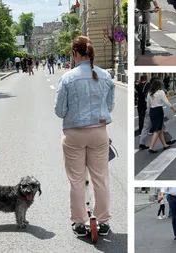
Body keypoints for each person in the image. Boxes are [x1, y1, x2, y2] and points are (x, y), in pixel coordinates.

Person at [55, 36, 115, 237]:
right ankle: (103, 221)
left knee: (77, 180)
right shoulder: (105, 76)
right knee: (101, 178)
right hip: (99, 133)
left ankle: (80, 223)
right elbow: (110, 106)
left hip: (74, 135)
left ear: (74, 54)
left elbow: (60, 111)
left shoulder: (67, 78)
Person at [147, 80, 176, 153]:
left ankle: (164, 145)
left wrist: (149, 111)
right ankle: (151, 147)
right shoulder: (161, 92)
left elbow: (148, 105)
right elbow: (166, 102)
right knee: (157, 130)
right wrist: (173, 108)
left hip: (152, 110)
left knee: (159, 129)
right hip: (158, 110)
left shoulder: (149, 93)